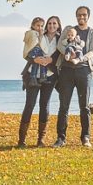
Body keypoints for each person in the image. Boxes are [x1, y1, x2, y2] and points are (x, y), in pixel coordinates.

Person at [53, 5, 93, 148]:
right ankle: (61, 138)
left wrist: (79, 59)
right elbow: (60, 45)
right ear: (76, 16)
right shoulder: (68, 30)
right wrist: (68, 54)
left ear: (88, 16)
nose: (81, 17)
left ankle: (85, 137)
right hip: (66, 71)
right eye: (79, 15)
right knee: (63, 106)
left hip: (84, 71)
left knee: (84, 106)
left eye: (84, 15)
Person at [17, 16, 61, 148]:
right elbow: (27, 52)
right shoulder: (38, 35)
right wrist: (34, 59)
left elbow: (61, 56)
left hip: (50, 76)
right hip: (33, 75)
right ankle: (21, 140)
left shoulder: (60, 40)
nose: (51, 25)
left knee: (44, 105)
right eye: (49, 23)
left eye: (54, 23)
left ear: (58, 25)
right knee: (29, 105)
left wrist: (51, 61)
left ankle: (40, 139)